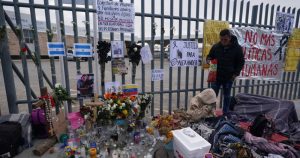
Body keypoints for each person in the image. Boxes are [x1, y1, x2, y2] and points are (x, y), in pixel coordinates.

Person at [207, 29, 245, 113]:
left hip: (229, 77)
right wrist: (208, 59)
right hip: (216, 77)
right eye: (221, 39)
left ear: (230, 38)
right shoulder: (216, 47)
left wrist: (235, 74)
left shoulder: (237, 48)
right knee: (212, 96)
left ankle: (225, 113)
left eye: (225, 40)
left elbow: (241, 62)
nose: (223, 41)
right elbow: (210, 56)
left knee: (227, 96)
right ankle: (211, 113)